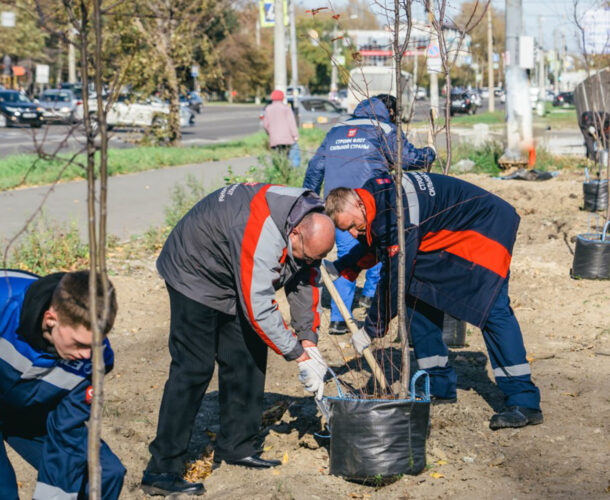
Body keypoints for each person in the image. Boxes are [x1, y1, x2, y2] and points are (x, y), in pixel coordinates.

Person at [142, 183, 335, 496]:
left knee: (246, 358)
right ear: (295, 233)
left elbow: (305, 279)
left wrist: (308, 340)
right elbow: (258, 307)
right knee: (193, 369)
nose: (310, 261)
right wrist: (297, 355)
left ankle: (237, 446)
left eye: (318, 257)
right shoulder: (263, 229)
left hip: (232, 273)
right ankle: (161, 470)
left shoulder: (310, 221)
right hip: (194, 272)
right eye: (305, 254)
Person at [324, 172, 543, 430]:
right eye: (345, 229)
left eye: (352, 225)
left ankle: (524, 402)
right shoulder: (373, 198)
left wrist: (372, 327)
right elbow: (379, 244)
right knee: (417, 294)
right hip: (447, 231)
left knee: (492, 307)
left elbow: (395, 274)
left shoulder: (394, 211)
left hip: (484, 226)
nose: (353, 233)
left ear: (358, 204)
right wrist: (343, 266)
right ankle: (439, 386)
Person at [303, 94, 435, 334]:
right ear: (391, 111)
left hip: (336, 206)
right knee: (380, 250)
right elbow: (406, 159)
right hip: (371, 204)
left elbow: (316, 167)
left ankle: (339, 319)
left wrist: (309, 202)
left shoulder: (337, 129)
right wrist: (429, 154)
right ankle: (371, 301)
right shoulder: (384, 128)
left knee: (349, 255)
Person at [0, 269, 125, 500]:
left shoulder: (96, 359)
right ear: (50, 319)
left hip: (30, 412)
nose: (88, 355)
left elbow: (67, 432)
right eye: (79, 344)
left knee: (104, 474)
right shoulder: (4, 301)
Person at [263, 89, 299, 161]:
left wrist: (269, 133)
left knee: (277, 158)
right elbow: (292, 123)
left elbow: (266, 125)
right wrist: (295, 135)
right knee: (287, 157)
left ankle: (278, 169)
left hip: (274, 139)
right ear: (282, 98)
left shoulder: (268, 109)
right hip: (287, 139)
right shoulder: (286, 108)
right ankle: (286, 171)